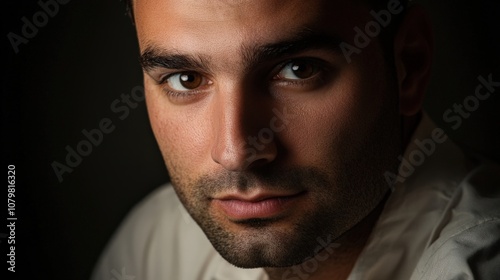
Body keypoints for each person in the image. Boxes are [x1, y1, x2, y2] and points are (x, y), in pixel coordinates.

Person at [91, 0, 500, 279]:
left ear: (408, 66)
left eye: (298, 70)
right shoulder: (153, 245)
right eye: (186, 79)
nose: (235, 153)